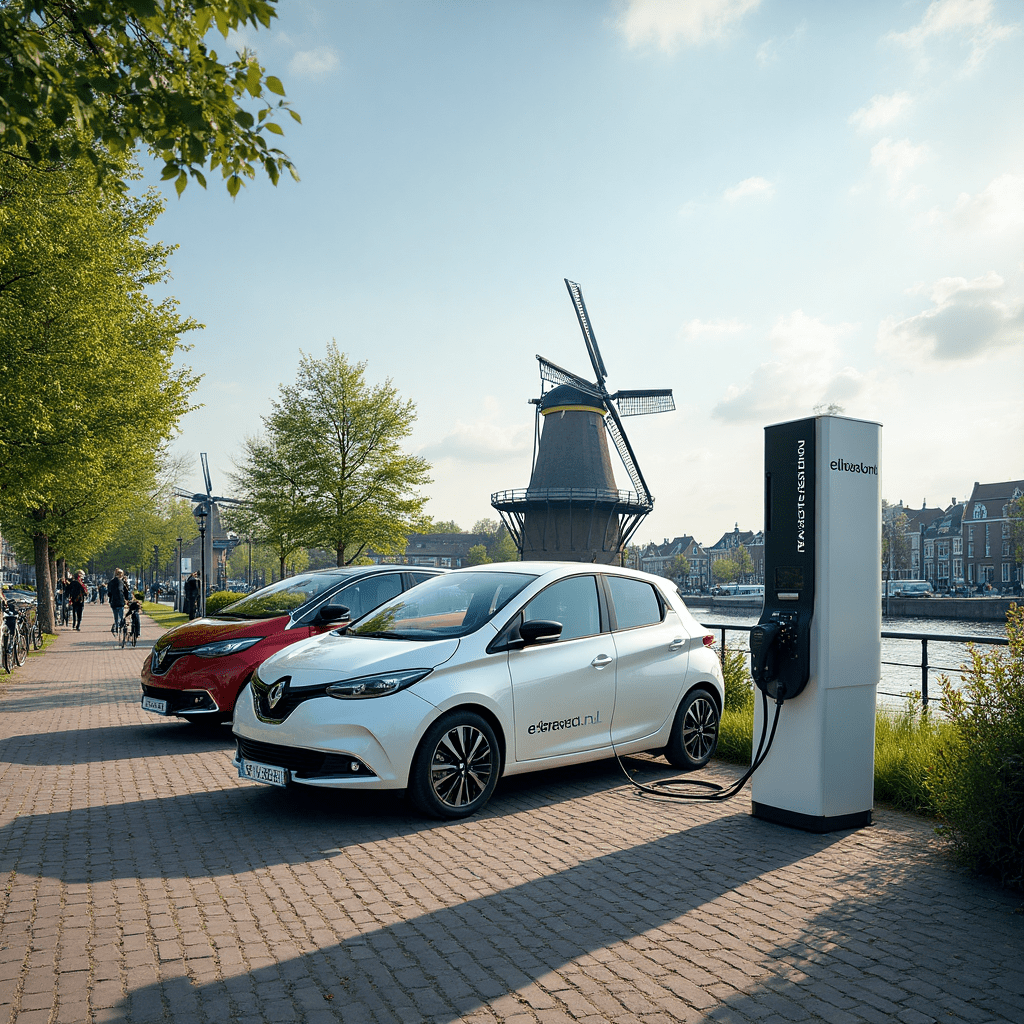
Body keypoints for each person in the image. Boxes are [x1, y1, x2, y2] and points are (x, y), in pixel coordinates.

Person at [107, 568, 130, 634]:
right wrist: (127, 599)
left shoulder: (111, 582)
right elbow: (126, 592)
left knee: (115, 616)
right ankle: (120, 627)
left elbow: (109, 593)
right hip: (120, 601)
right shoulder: (121, 582)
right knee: (121, 615)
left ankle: (117, 627)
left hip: (113, 601)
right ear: (121, 575)